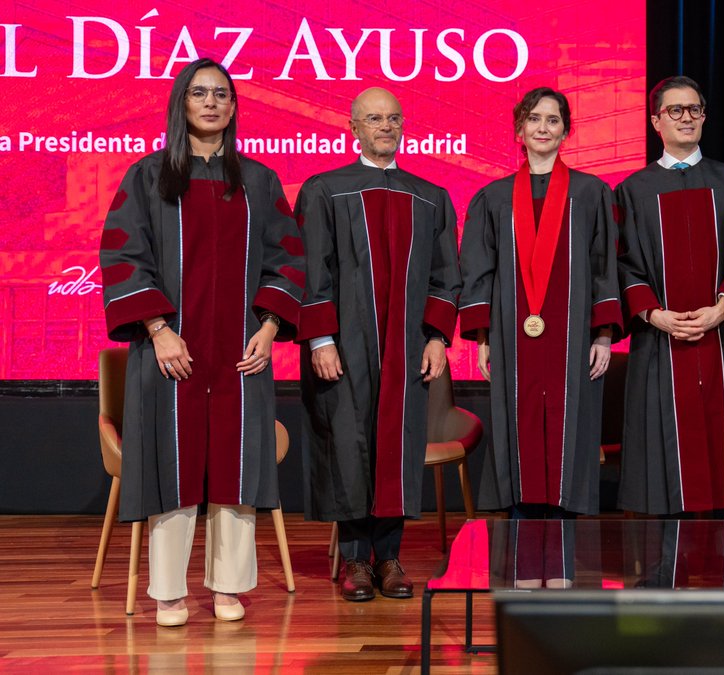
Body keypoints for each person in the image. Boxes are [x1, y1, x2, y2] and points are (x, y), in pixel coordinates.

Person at [99, 58, 304, 626]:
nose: (210, 102)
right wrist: (159, 331)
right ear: (181, 103)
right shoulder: (148, 177)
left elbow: (287, 261)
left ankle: (229, 586)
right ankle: (168, 591)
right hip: (173, 354)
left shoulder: (258, 182)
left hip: (242, 353)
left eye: (221, 94)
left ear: (234, 107)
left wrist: (269, 328)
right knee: (175, 464)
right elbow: (122, 257)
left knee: (236, 469)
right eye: (199, 93)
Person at [294, 88, 461, 601]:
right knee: (347, 443)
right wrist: (320, 337)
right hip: (344, 344)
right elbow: (310, 269)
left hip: (407, 347)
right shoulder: (325, 190)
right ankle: (353, 561)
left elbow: (445, 276)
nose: (384, 126)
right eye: (373, 118)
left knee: (397, 445)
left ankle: (389, 558)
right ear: (353, 127)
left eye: (393, 118)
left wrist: (437, 337)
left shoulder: (430, 196)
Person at [459, 87, 623, 518]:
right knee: (519, 431)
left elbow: (606, 266)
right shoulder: (493, 198)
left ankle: (565, 553)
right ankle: (522, 550)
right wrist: (483, 338)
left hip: (575, 339)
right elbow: (479, 270)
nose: (543, 127)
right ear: (519, 129)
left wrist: (604, 335)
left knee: (572, 431)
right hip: (513, 335)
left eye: (553, 120)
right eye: (534, 119)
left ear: (566, 131)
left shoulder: (591, 193)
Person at [614, 75, 724, 515]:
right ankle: (666, 564)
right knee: (665, 450)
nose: (686, 117)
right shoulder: (633, 190)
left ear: (705, 117)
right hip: (660, 340)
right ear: (656, 121)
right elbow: (623, 264)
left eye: (694, 109)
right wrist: (653, 314)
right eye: (675, 110)